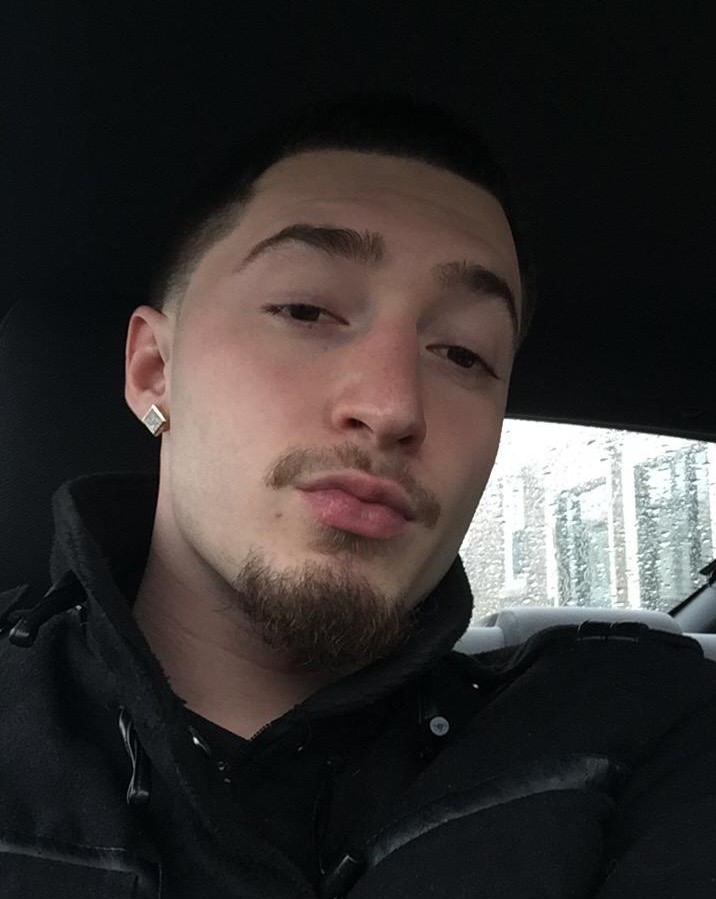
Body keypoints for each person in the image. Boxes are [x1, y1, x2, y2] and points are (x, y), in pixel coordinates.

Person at [1, 90, 715, 899]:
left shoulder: (634, 742)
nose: (393, 406)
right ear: (154, 370)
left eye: (463, 353)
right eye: (306, 309)